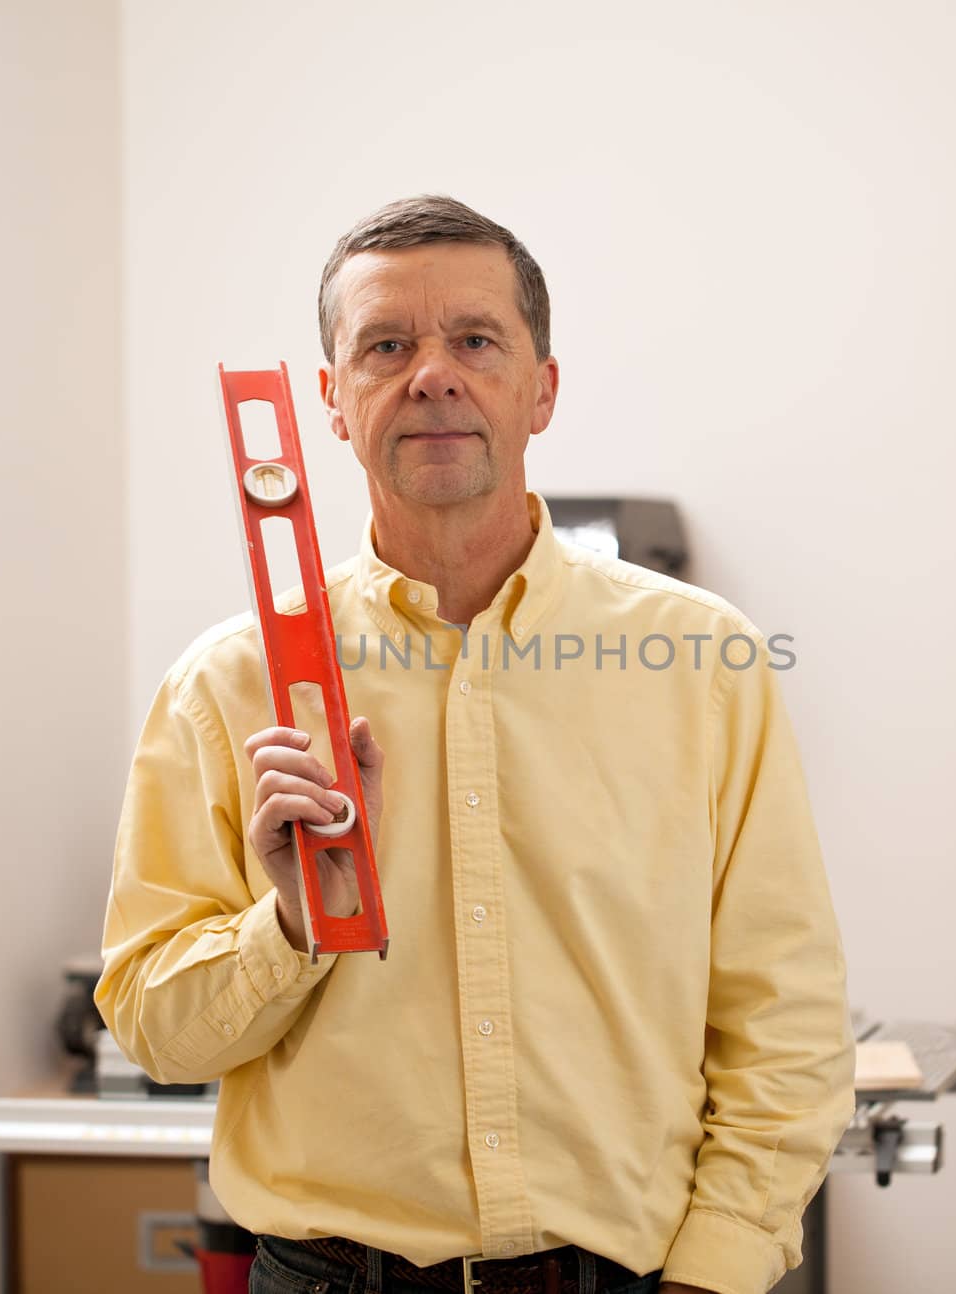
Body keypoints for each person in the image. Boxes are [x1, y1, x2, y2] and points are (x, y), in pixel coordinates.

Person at [95, 195, 855, 1294]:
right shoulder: (230, 684)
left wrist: (718, 1266)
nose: (433, 374)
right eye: (387, 345)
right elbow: (154, 1032)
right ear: (332, 402)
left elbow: (781, 1009)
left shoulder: (699, 659)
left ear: (540, 389)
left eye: (476, 340)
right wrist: (291, 924)